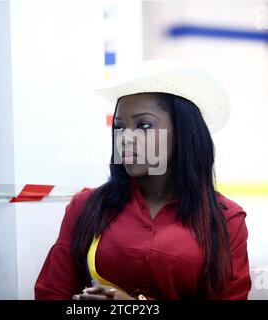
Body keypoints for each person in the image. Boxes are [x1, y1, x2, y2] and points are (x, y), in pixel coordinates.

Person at [34, 59, 252, 300]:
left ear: (182, 133)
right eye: (119, 127)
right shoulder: (86, 206)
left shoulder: (226, 219)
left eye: (144, 125)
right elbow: (52, 293)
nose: (126, 138)